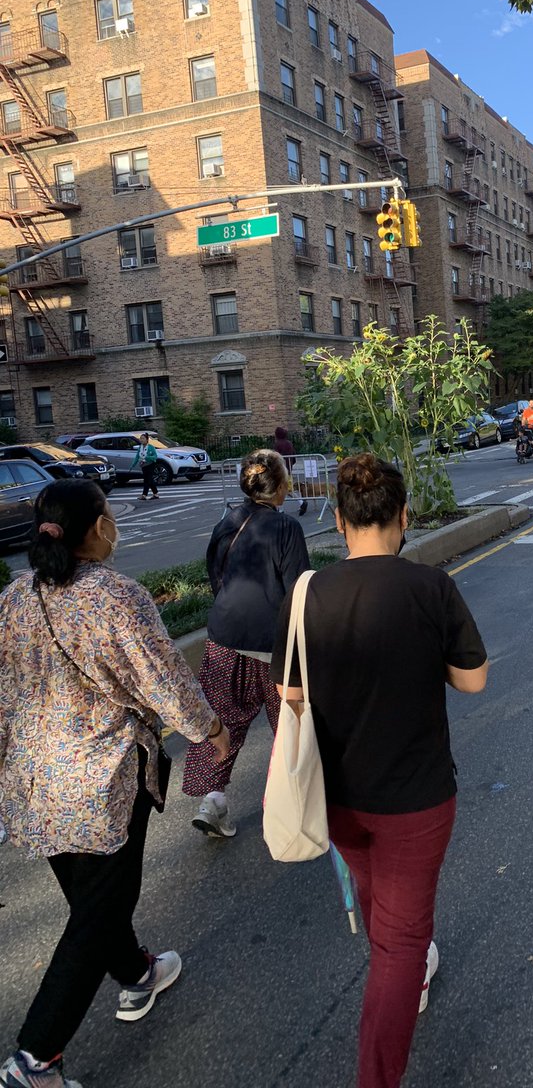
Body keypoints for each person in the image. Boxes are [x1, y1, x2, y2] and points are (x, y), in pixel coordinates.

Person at [0, 480, 229, 1088]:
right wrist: (210, 730)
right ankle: (35, 1059)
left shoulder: (15, 596)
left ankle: (135, 973)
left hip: (34, 782)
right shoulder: (116, 596)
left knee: (91, 901)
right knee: (100, 909)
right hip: (100, 783)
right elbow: (164, 677)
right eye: (110, 515)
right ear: (99, 527)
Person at [271, 454, 488, 1088]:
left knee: (376, 895)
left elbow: (289, 694)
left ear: (339, 521)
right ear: (404, 517)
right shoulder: (431, 588)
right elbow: (472, 680)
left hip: (339, 795)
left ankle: (403, 972)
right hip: (417, 800)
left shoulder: (306, 594)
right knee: (401, 945)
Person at [183, 450, 310, 838]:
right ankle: (293, 802)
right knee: (289, 723)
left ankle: (213, 800)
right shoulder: (286, 527)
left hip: (226, 636)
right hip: (274, 644)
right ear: (281, 486)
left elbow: (215, 576)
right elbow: (298, 590)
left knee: (224, 719)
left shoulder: (227, 522)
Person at [131, 432, 159, 501]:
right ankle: (155, 494)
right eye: (140, 438)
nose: (141, 440)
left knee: (147, 480)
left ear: (147, 439)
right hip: (143, 465)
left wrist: (148, 457)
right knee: (149, 480)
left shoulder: (151, 447)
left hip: (150, 464)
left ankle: (144, 495)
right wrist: (133, 464)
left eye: (143, 438)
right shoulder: (140, 447)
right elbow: (137, 456)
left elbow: (155, 456)